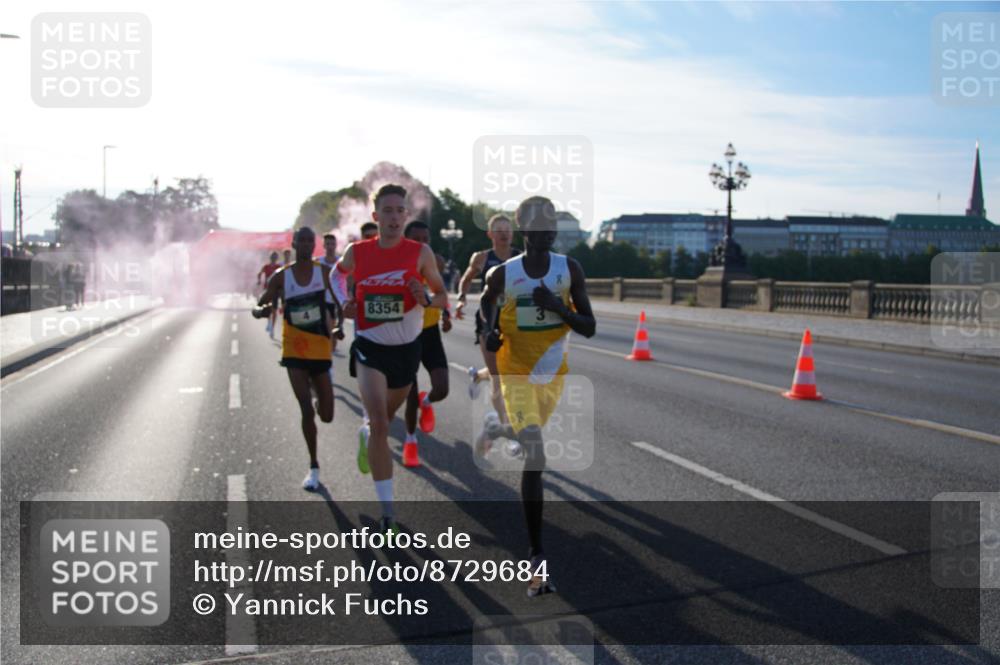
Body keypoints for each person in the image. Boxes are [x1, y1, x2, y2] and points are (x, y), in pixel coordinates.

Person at [479, 196, 596, 597]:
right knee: (537, 455)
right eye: (539, 224)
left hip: (551, 375)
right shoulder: (505, 274)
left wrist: (557, 309)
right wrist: (491, 332)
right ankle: (536, 555)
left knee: (527, 439)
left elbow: (589, 327)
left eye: (552, 225)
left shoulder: (569, 271)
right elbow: (485, 303)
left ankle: (497, 426)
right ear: (523, 228)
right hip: (515, 374)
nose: (547, 231)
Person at [332, 185, 448, 534]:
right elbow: (336, 275)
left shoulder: (420, 253)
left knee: (386, 420)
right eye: (388, 211)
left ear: (405, 216)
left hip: (406, 350)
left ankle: (367, 435)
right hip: (370, 346)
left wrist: (425, 298)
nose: (395, 217)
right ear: (376, 216)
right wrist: (344, 302)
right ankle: (388, 513)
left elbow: (443, 296)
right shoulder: (358, 252)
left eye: (400, 211)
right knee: (383, 424)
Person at [253, 228, 343, 491]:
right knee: (305, 409)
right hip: (293, 350)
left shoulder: (324, 273)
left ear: (312, 245)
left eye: (308, 241)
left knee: (326, 415)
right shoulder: (283, 276)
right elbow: (264, 300)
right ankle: (313, 466)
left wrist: (339, 326)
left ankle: (319, 395)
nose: (304, 244)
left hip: (319, 349)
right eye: (300, 240)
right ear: (293, 244)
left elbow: (340, 301)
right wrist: (262, 309)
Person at [455, 213, 521, 452]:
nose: (504, 233)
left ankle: (476, 376)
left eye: (508, 229)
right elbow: (465, 279)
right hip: (488, 320)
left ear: (512, 234)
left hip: (515, 321)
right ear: (490, 234)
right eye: (499, 229)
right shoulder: (482, 257)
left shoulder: (521, 257)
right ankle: (509, 431)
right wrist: (461, 298)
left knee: (512, 373)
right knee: (499, 378)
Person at [400, 221, 451, 468]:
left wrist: (448, 315)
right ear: (406, 240)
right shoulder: (397, 262)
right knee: (409, 394)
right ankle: (411, 441)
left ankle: (427, 402)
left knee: (442, 388)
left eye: (426, 238)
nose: (422, 243)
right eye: (416, 239)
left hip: (430, 331)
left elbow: (442, 292)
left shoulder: (436, 262)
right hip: (407, 333)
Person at [318, 233, 346, 354]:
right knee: (329, 327)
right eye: (327, 244)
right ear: (324, 245)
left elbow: (348, 279)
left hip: (339, 300)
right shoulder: (318, 262)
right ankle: (327, 355)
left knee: (335, 331)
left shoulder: (342, 261)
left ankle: (331, 352)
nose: (330, 246)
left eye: (332, 244)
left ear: (336, 245)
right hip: (324, 300)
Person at [257, 252, 282, 337]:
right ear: (270, 257)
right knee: (268, 307)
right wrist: (259, 281)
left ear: (277, 258)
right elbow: (259, 273)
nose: (273, 258)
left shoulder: (278, 267)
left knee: (274, 310)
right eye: (272, 257)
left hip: (275, 291)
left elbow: (283, 276)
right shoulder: (266, 266)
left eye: (275, 257)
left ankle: (272, 328)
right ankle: (269, 323)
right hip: (267, 290)